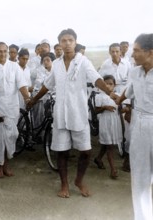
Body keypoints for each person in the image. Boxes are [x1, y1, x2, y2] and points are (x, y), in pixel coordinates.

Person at [26, 28, 113, 198]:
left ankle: (79, 180)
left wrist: (110, 92)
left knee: (86, 151)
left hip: (79, 113)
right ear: (59, 43)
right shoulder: (56, 64)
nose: (67, 44)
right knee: (61, 151)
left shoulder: (83, 62)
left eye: (70, 40)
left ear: (75, 42)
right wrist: (34, 99)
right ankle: (64, 184)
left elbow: (96, 78)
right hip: (60, 115)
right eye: (63, 41)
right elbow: (47, 85)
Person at [113, 33, 153, 220]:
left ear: (150, 53)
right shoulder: (135, 72)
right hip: (139, 125)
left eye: (136, 51)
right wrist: (118, 101)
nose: (132, 55)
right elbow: (129, 91)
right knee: (140, 177)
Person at [0, 42, 29, 178]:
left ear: (8, 52)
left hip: (12, 108)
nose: (3, 54)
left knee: (12, 136)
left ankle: (6, 162)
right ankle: (0, 166)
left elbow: (22, 86)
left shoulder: (15, 67)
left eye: (5, 51)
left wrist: (28, 99)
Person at [93, 75, 122, 179]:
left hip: (115, 123)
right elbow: (96, 111)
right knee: (110, 146)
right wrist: (104, 107)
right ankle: (113, 169)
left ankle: (98, 158)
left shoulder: (117, 95)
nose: (108, 86)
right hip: (105, 122)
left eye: (111, 84)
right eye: (106, 84)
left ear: (114, 85)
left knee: (108, 143)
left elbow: (120, 110)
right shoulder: (99, 96)